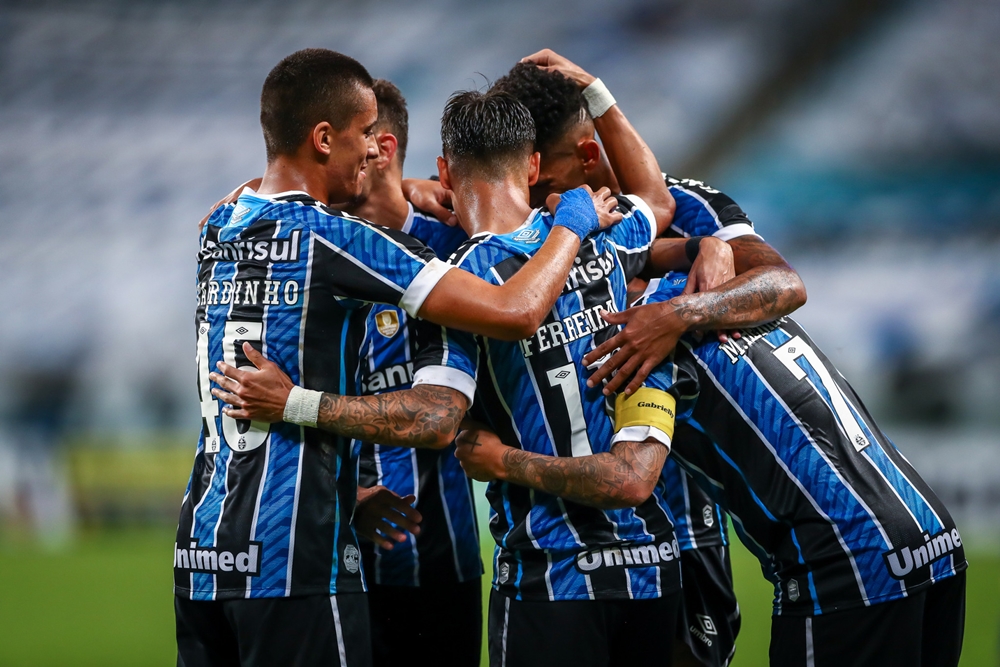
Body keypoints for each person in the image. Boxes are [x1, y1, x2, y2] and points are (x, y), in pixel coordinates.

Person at [178, 48, 622, 667]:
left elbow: (266, 190)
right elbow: (515, 311)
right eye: (363, 135)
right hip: (295, 555)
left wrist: (410, 191)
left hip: (203, 552)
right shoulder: (339, 237)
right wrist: (572, 220)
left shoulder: (218, 226)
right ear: (324, 137)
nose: (374, 150)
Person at [458, 274, 968, 667]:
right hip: (934, 532)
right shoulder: (725, 290)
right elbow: (785, 279)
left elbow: (629, 478)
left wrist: (501, 459)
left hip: (848, 565)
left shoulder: (642, 335)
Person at [344, 79, 483, 667]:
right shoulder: (312, 252)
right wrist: (348, 494)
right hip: (339, 560)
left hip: (442, 560)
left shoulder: (456, 248)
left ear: (380, 146)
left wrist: (702, 247)